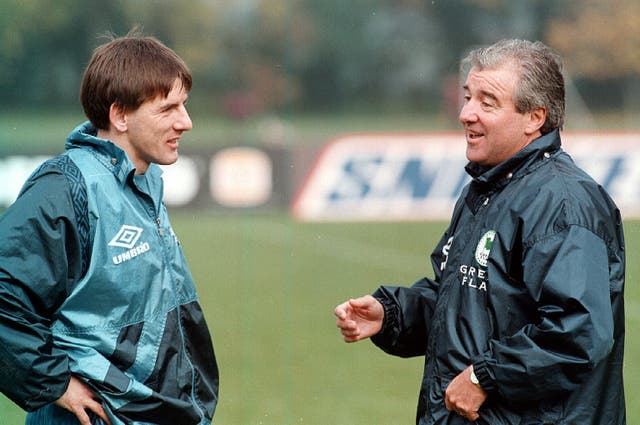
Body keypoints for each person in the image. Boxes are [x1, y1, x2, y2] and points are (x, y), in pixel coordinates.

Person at [334, 39, 625, 424]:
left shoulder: (563, 202)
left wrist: (484, 377)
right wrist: (392, 315)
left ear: (534, 117)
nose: (466, 113)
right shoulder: (488, 190)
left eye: (487, 102)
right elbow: (463, 302)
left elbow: (577, 332)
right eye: (468, 96)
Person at [0, 32, 219, 425]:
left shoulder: (147, 178)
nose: (186, 122)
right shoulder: (66, 188)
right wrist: (56, 384)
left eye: (183, 105)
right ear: (120, 116)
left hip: (146, 412)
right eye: (168, 108)